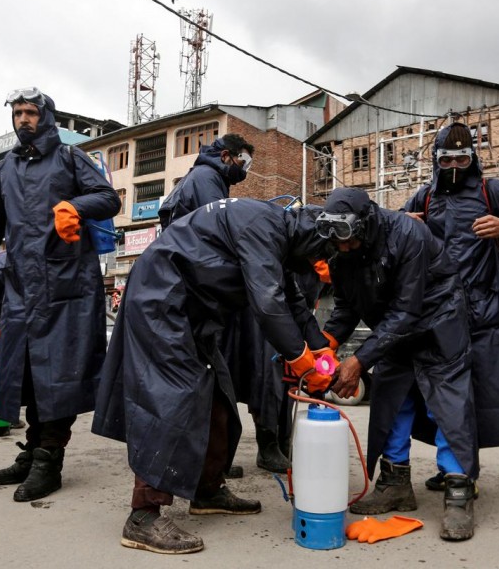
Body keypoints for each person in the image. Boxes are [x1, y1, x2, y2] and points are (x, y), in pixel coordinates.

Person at [92, 198, 334, 555]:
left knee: (218, 395)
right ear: (310, 240)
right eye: (320, 255)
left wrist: (321, 347)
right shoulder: (262, 226)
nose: (318, 265)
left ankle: (207, 490)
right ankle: (143, 515)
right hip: (162, 298)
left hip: (193, 310)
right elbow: (268, 303)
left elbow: (292, 301)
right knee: (172, 397)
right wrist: (300, 358)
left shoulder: (277, 236)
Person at [0, 87, 120, 502]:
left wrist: (75, 207)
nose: (23, 119)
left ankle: (48, 462)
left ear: (46, 116)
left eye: (30, 112)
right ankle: (32, 454)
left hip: (68, 289)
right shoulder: (6, 168)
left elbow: (109, 198)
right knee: (26, 377)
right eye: (18, 113)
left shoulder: (72, 158)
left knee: (60, 377)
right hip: (21, 290)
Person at [318, 188, 479, 541]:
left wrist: (359, 360)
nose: (343, 249)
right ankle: (395, 484)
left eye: (348, 241)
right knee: (391, 402)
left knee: (448, 407)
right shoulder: (341, 254)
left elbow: (407, 309)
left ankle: (458, 492)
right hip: (392, 330)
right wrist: (324, 349)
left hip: (438, 322)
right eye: (337, 244)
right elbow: (346, 308)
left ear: (365, 224)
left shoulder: (409, 234)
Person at [403, 122, 499, 490]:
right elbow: (394, 233)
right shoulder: (424, 196)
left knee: (476, 393)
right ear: (436, 160)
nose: (454, 167)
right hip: (436, 308)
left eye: (463, 158)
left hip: (487, 311)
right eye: (446, 160)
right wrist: (403, 222)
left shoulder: (490, 188)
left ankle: (462, 473)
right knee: (439, 395)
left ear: (473, 158)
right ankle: (450, 467)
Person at [158, 134, 291, 474]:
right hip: (207, 293)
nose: (246, 171)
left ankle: (214, 458)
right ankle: (252, 449)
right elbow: (221, 236)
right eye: (244, 163)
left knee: (221, 373)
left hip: (202, 292)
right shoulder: (206, 179)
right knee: (258, 365)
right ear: (228, 156)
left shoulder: (202, 180)